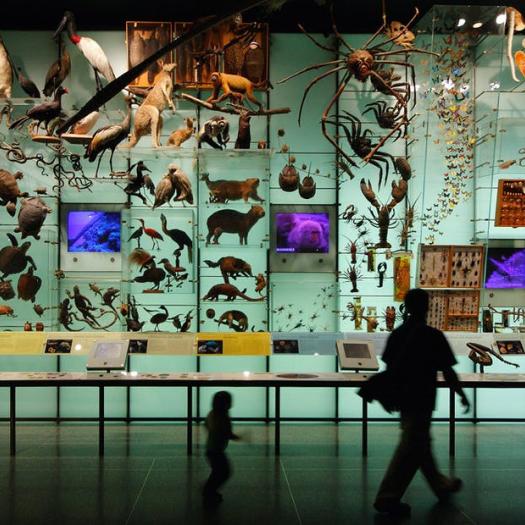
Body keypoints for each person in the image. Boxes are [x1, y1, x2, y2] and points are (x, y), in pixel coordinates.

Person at [374, 288, 470, 517]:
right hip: (423, 396)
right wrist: (461, 393)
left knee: (419, 442)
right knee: (411, 445)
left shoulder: (397, 334)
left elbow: (389, 367)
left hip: (405, 396)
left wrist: (391, 394)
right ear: (427, 306)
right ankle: (387, 497)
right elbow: (447, 370)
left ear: (405, 307)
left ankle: (441, 486)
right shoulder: (432, 335)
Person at [203, 391, 239, 507]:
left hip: (211, 449)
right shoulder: (224, 417)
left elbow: (206, 424)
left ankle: (210, 491)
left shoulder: (212, 414)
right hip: (217, 451)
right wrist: (237, 437)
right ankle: (209, 491)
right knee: (223, 472)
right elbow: (227, 433)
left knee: (217, 472)